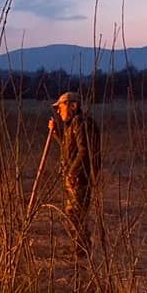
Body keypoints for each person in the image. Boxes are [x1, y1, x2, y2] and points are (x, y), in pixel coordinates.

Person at [48, 91, 100, 257]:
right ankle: (79, 249)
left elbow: (84, 152)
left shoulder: (80, 122)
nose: (58, 111)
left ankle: (81, 251)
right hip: (76, 177)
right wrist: (57, 133)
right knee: (74, 214)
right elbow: (69, 149)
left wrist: (72, 172)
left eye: (61, 106)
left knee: (76, 214)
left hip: (80, 178)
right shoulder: (72, 125)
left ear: (73, 106)